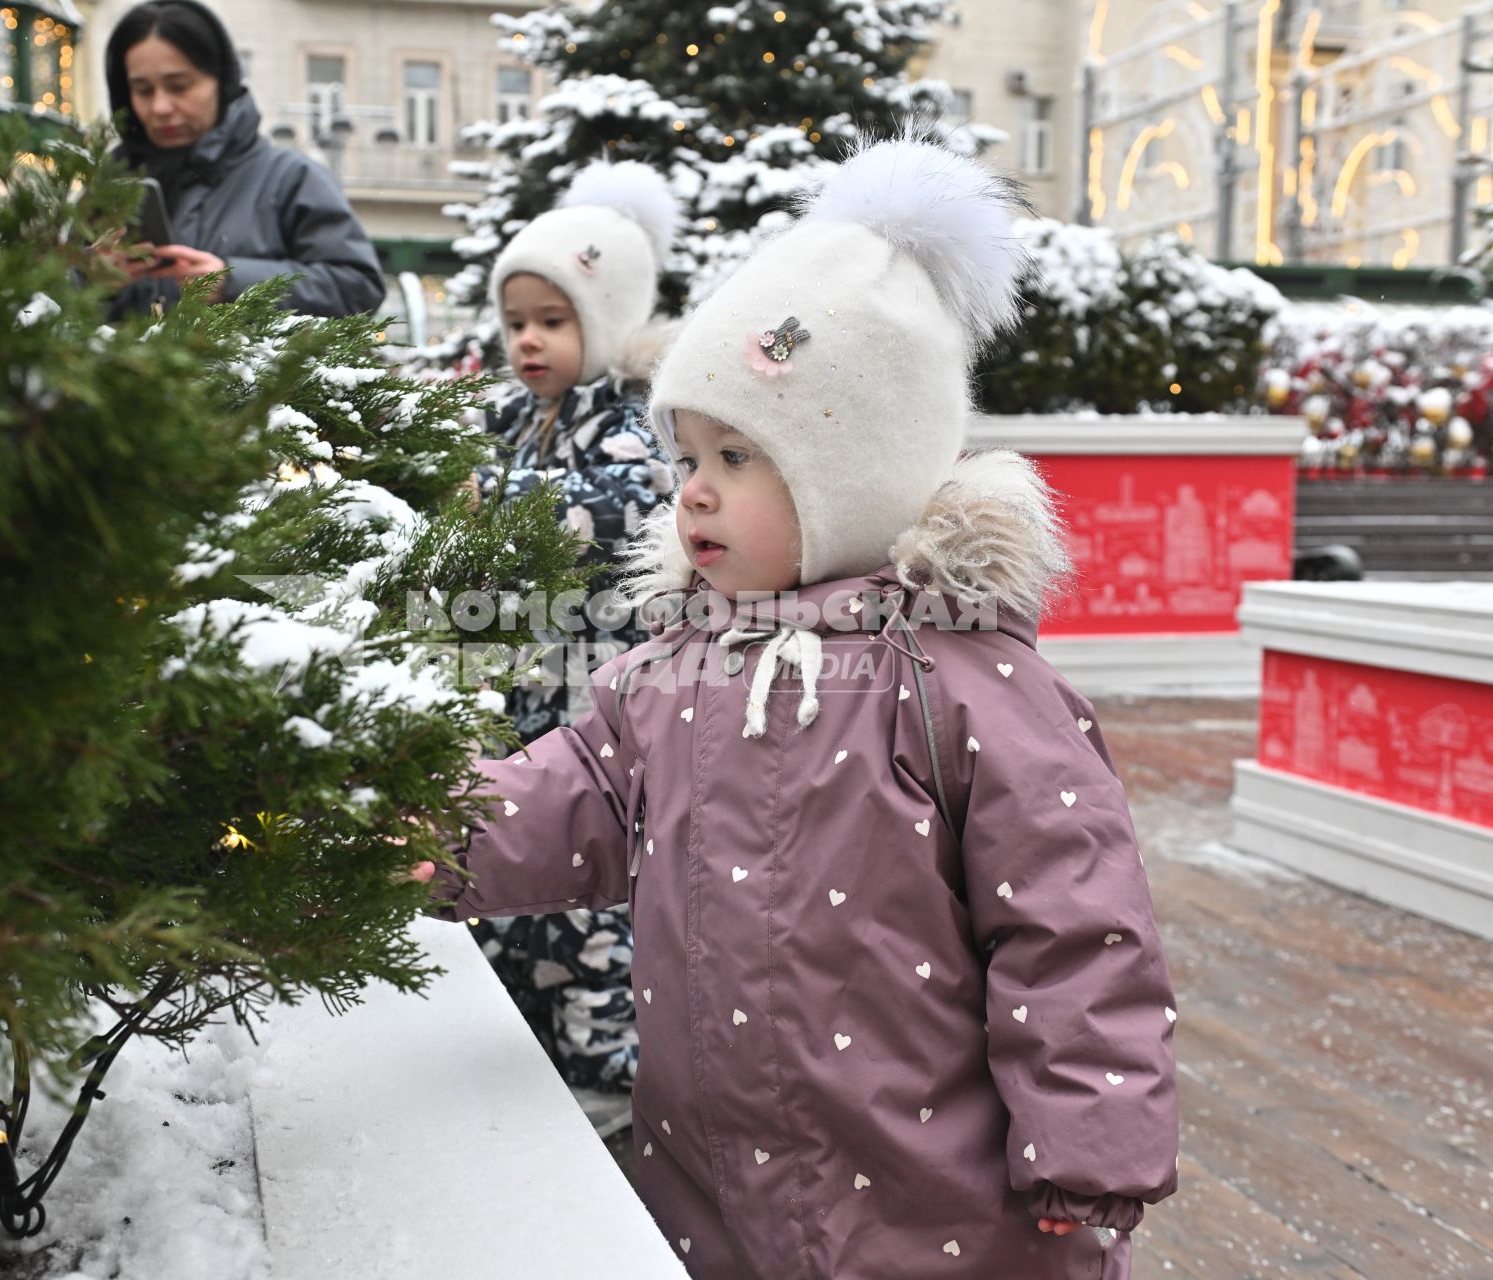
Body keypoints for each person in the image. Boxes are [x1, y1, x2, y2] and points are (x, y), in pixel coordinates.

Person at [425, 137, 1180, 1277]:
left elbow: (1075, 931)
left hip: (940, 1215)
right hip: (712, 1190)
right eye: (687, 453)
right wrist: (408, 825)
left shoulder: (968, 684)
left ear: (854, 471)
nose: (693, 489)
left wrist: (1088, 1146)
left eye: (738, 452)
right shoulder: (666, 674)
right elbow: (558, 800)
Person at [469, 161, 680, 1114]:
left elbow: (615, 518)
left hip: (597, 709)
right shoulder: (509, 419)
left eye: (553, 321)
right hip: (517, 699)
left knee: (594, 897)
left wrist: (493, 505)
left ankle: (609, 1077)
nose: (528, 341)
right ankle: (521, 1060)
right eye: (517, 322)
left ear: (603, 323)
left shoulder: (635, 423)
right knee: (510, 871)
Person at [101, 0, 384, 318]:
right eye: (143, 90)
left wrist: (231, 282)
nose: (160, 107)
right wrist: (94, 282)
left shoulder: (291, 179)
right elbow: (47, 303)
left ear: (222, 81)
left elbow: (359, 289)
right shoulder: (109, 187)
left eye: (179, 86)